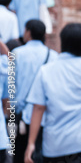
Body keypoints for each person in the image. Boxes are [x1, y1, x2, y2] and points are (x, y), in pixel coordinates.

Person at [24, 23, 81, 163]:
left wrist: (31, 143)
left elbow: (39, 108)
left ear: (62, 40)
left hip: (56, 145)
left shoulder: (46, 71)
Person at [12, 20, 58, 163]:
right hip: (45, 116)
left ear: (28, 32)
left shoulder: (16, 53)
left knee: (18, 155)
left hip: (21, 116)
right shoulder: (54, 56)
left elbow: (11, 85)